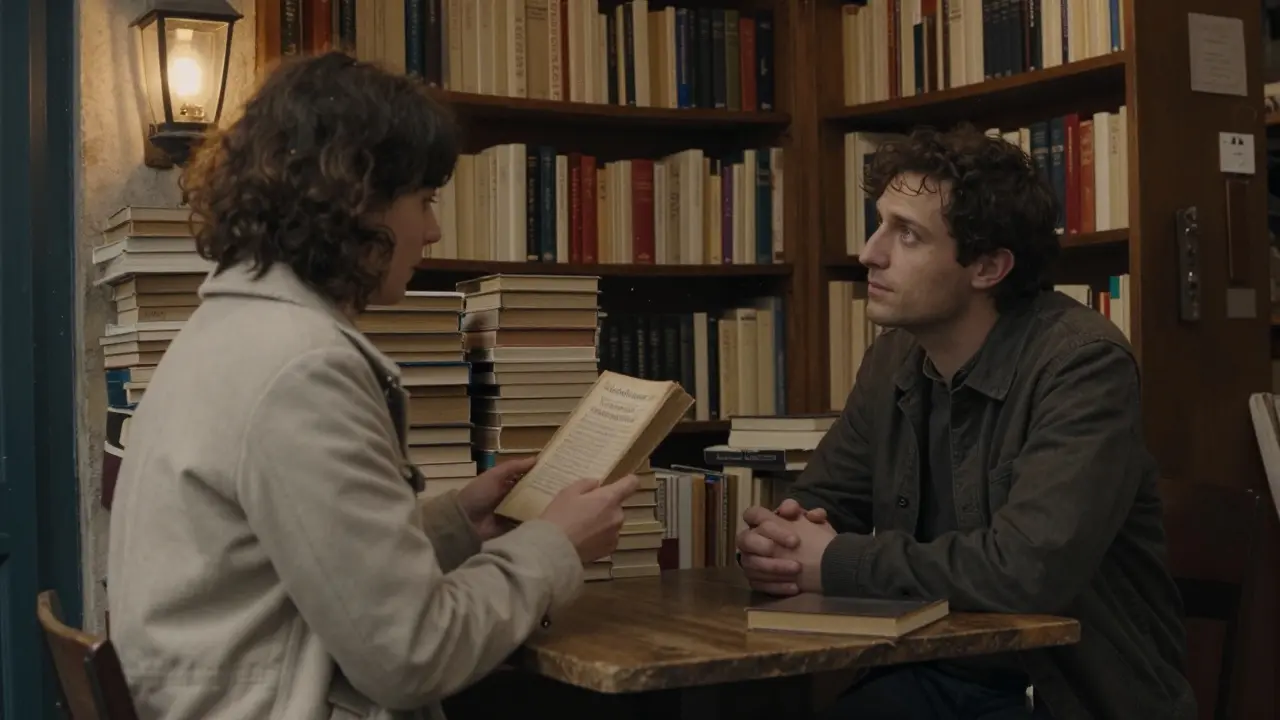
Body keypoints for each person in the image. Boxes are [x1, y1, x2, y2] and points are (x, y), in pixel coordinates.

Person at [106, 51, 638, 720]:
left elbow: (294, 562)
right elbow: (413, 657)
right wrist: (553, 545)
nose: (434, 230)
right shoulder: (301, 368)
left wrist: (458, 523)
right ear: (354, 200)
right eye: (425, 199)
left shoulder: (228, 334)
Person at [735, 125, 1196, 720]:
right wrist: (776, 542)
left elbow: (1026, 570)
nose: (870, 252)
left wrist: (833, 561)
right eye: (880, 224)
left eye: (907, 234)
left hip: (1061, 693)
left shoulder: (1083, 364)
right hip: (925, 674)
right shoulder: (893, 358)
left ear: (987, 267)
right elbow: (822, 500)